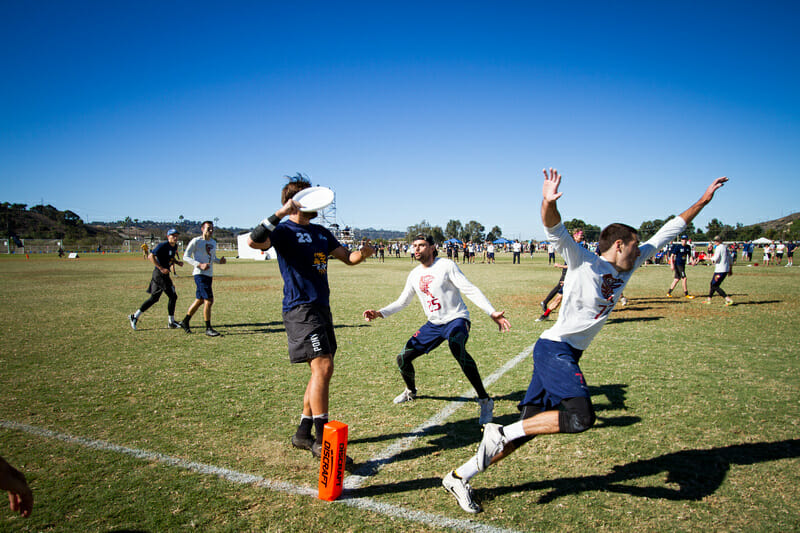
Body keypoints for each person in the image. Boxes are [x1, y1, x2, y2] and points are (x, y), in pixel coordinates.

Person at [441, 168, 728, 514]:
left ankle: (460, 475)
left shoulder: (629, 266)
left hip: (567, 354)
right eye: (634, 248)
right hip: (554, 349)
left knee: (527, 431)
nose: (640, 254)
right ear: (618, 245)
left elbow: (669, 230)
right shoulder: (583, 261)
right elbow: (554, 228)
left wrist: (703, 200)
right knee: (580, 417)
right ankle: (499, 432)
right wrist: (547, 201)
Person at [247, 174, 373, 459]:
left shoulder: (321, 233)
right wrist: (279, 214)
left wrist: (363, 253)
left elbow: (348, 258)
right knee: (323, 367)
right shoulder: (282, 230)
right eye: (309, 196)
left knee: (320, 371)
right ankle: (321, 439)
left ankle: (303, 434)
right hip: (300, 309)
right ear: (296, 202)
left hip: (322, 308)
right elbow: (255, 243)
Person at [363, 235, 510, 425]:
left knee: (456, 346)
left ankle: (485, 400)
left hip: (456, 319)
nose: (417, 249)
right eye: (414, 246)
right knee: (402, 358)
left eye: (422, 245)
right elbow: (403, 301)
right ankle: (411, 391)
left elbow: (469, 289)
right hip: (433, 325)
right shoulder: (414, 274)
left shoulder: (446, 265)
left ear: (433, 247)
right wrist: (379, 313)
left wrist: (491, 312)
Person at [129, 229, 183, 330]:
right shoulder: (162, 246)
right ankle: (171, 322)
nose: (175, 238)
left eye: (176, 236)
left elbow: (170, 257)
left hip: (163, 275)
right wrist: (161, 268)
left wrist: (177, 262)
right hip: (159, 275)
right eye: (173, 236)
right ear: (168, 237)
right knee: (173, 296)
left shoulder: (174, 246)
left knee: (154, 298)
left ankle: (135, 316)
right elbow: (150, 256)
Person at [179, 221, 227, 337]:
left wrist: (219, 261)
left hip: (209, 274)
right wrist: (199, 264)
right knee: (209, 300)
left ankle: (185, 321)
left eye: (212, 229)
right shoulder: (196, 241)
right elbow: (186, 256)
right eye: (208, 229)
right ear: (202, 229)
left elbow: (212, 258)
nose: (210, 231)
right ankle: (208, 328)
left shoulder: (213, 242)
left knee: (200, 300)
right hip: (199, 274)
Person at [536, 229, 585, 322]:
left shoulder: (580, 248)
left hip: (577, 276)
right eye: (580, 235)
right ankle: (545, 315)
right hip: (570, 276)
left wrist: (560, 266)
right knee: (559, 297)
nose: (582, 237)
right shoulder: (573, 247)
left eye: (582, 235)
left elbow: (576, 265)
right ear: (574, 235)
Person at [702, 235, 734, 306]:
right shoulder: (725, 248)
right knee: (712, 283)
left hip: (720, 270)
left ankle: (728, 299)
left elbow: (715, 259)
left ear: (720, 240)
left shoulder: (719, 248)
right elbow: (730, 259)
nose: (715, 242)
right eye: (715, 240)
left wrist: (707, 258)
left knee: (715, 286)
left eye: (717, 240)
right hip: (725, 269)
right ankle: (709, 299)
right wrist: (730, 269)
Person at [666, 235, 696, 299]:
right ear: (681, 240)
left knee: (676, 279)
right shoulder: (678, 247)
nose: (684, 240)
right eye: (683, 239)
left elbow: (690, 255)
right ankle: (686, 294)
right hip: (678, 264)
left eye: (685, 239)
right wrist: (672, 264)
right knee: (684, 278)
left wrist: (692, 261)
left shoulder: (688, 247)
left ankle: (668, 293)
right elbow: (672, 256)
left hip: (683, 264)